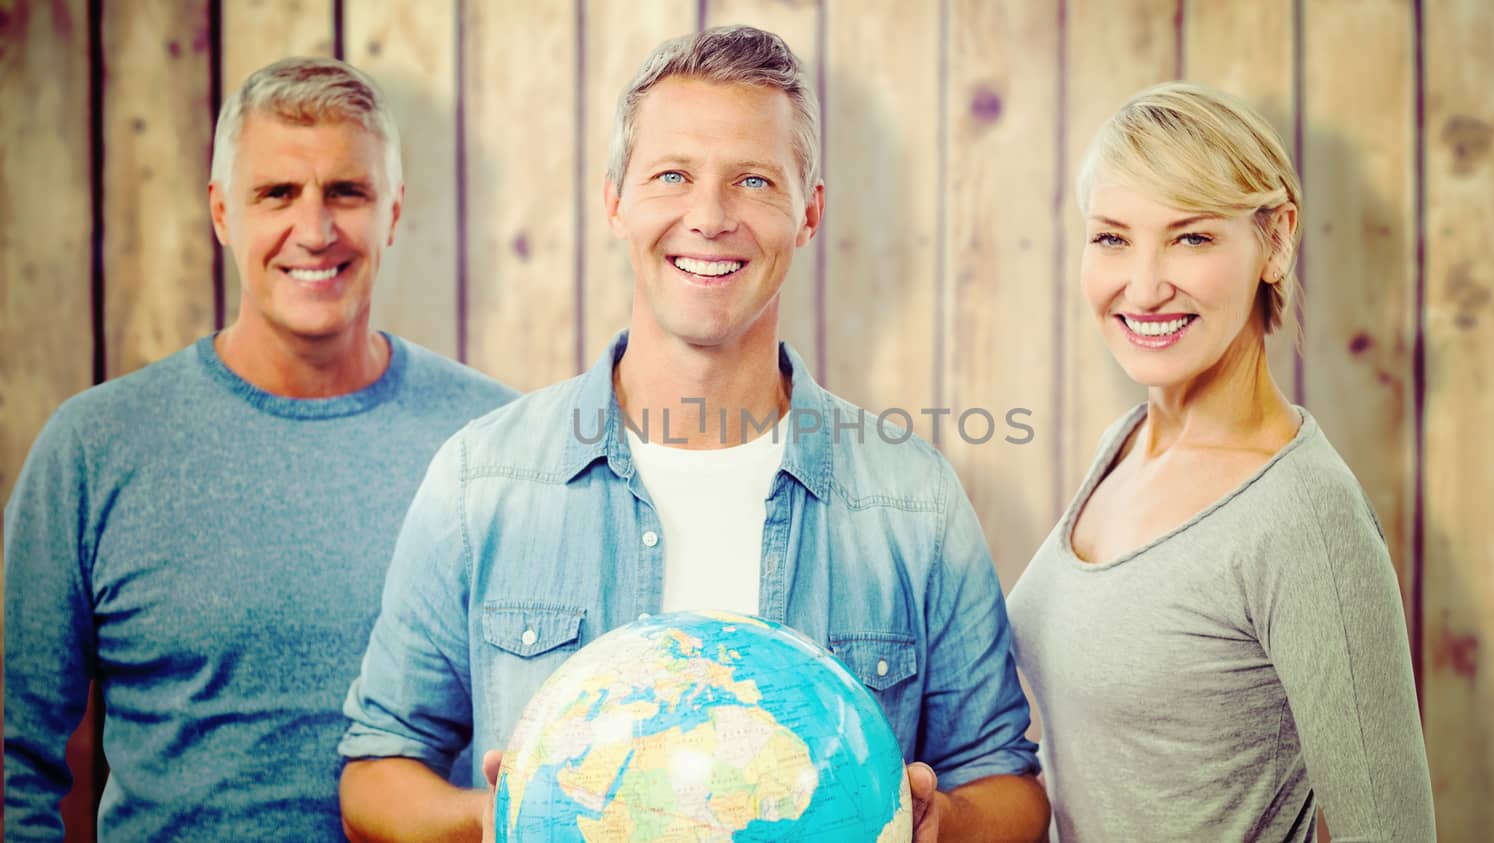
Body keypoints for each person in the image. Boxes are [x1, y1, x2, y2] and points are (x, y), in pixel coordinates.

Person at [337, 25, 1048, 843]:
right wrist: (497, 819)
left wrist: (941, 820)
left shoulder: (913, 500)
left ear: (810, 210)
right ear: (615, 199)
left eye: (753, 180)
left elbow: (1012, 791)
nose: (709, 218)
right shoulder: (481, 479)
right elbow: (375, 773)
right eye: (672, 175)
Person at [3, 57, 516, 841]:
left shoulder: (491, 444)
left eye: (347, 192)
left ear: (394, 211)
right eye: (277, 193)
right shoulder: (93, 448)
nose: (314, 231)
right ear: (220, 212)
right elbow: (14, 757)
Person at [1007, 81, 1435, 841]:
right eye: (1112, 237)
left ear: (1276, 242)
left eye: (1191, 237)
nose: (1143, 286)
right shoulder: (1127, 444)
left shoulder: (1304, 517)